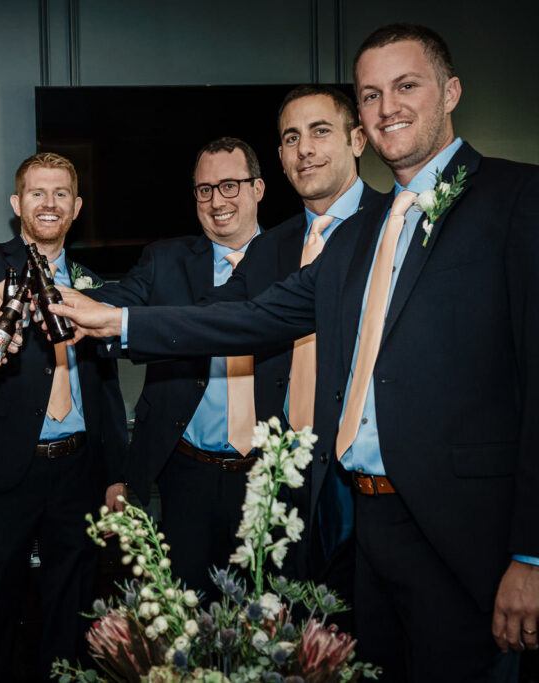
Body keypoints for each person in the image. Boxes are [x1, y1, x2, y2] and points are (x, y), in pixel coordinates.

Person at [51, 24, 539, 681]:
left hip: (463, 534)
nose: (387, 104)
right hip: (368, 525)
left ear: (450, 92)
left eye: (405, 86)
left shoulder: (514, 200)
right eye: (371, 93)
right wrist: (119, 319)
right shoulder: (356, 237)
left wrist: (531, 553)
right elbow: (247, 320)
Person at [0, 152, 128, 681]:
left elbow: (106, 388)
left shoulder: (94, 283)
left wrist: (114, 473)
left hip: (78, 470)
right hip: (4, 467)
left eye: (61, 194)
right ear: (17, 203)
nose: (49, 203)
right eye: (37, 193)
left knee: (73, 609)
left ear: (76, 206)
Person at [209, 86, 383, 619]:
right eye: (291, 137)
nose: (304, 148)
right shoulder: (270, 246)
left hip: (369, 485)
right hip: (280, 480)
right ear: (280, 159)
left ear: (358, 139)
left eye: (320, 131)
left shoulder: (396, 226)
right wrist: (114, 319)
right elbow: (219, 318)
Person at [86, 137, 271, 597]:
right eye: (204, 190)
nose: (216, 201)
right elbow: (111, 307)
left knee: (266, 620)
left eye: (230, 185)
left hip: (269, 478)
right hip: (184, 472)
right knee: (184, 619)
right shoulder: (164, 259)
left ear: (259, 189)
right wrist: (60, 301)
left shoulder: (292, 260)